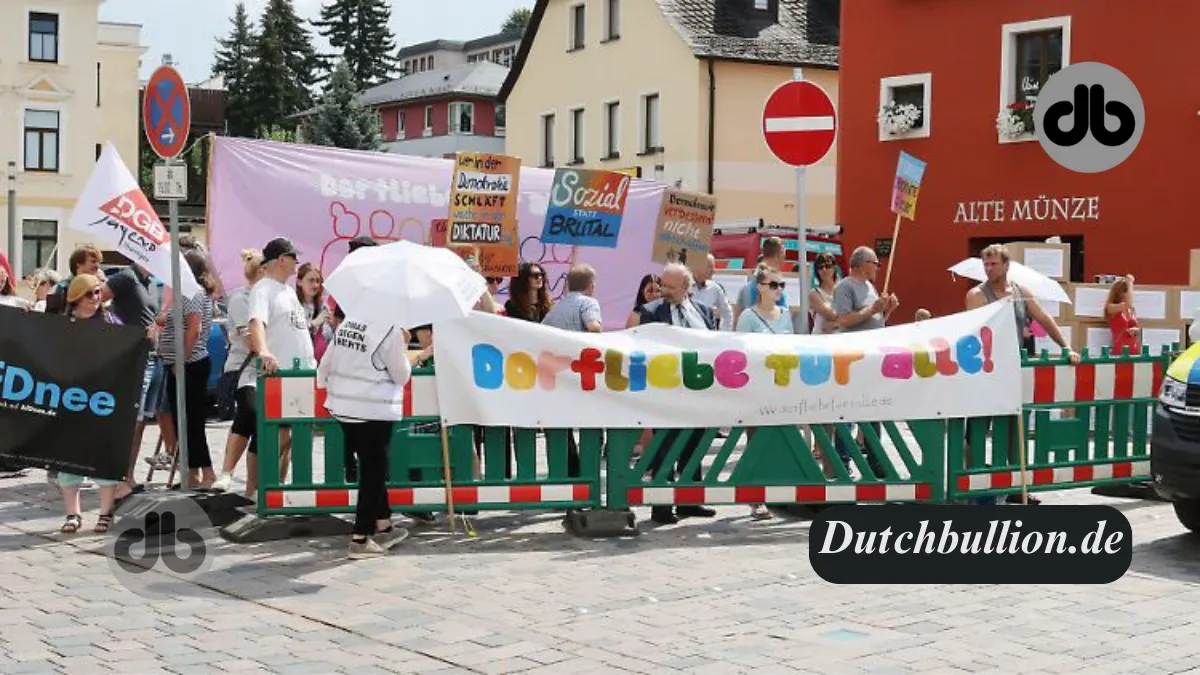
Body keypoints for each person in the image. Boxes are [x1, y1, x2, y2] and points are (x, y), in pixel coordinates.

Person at [964, 243, 1079, 505]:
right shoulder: (976, 295)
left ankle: (1015, 485)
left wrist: (1067, 347)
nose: (989, 268)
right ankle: (972, 484)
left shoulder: (1020, 292)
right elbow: (974, 326)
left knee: (1013, 432)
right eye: (986, 264)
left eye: (994, 264)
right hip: (985, 370)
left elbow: (1044, 318)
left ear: (1006, 265)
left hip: (1013, 370)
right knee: (977, 429)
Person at [318, 311, 413, 559]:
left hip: (343, 407)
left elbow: (326, 364)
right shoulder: (389, 329)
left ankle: (384, 525)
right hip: (373, 408)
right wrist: (403, 345)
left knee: (370, 465)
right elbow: (401, 375)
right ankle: (360, 538)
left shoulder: (349, 323)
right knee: (374, 471)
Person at [57, 274, 148, 533]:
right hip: (71, 398)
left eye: (98, 292)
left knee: (104, 456)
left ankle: (105, 513)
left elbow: (127, 349)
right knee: (67, 457)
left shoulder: (110, 321)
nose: (96, 298)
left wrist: (145, 338)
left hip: (102, 398)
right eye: (90, 293)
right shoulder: (62, 325)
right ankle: (72, 514)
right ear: (76, 297)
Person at [634, 263, 718, 524]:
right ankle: (661, 506)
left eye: (670, 286)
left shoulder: (704, 312)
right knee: (665, 445)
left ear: (686, 287)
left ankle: (690, 500)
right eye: (663, 284)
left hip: (698, 390)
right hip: (666, 391)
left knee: (694, 444)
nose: (664, 290)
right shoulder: (651, 312)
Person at [832, 246, 897, 478]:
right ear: (862, 264)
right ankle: (843, 459)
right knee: (848, 410)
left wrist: (886, 310)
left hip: (871, 355)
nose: (878, 267)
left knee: (873, 408)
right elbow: (844, 319)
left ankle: (874, 458)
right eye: (875, 263)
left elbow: (875, 319)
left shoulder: (870, 287)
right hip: (851, 356)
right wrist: (873, 309)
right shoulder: (846, 286)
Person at [157, 249, 219, 488]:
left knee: (192, 422)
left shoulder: (192, 292)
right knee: (183, 422)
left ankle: (207, 473)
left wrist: (181, 362)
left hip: (189, 366)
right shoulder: (187, 293)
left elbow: (193, 328)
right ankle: (191, 473)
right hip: (180, 365)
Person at [735, 265, 792, 520]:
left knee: (779, 440)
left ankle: (777, 491)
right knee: (756, 441)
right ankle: (754, 497)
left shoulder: (786, 315)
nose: (778, 290)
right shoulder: (748, 316)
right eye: (773, 285)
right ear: (759, 287)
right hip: (756, 388)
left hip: (781, 387)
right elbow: (737, 352)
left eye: (781, 285)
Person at [101, 263, 162, 501]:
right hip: (133, 357)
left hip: (151, 356)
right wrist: (119, 333)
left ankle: (128, 476)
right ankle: (119, 478)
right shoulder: (126, 277)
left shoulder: (151, 282)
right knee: (131, 421)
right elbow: (98, 299)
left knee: (140, 422)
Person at [213, 250, 266, 495]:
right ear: (260, 273)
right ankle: (227, 472)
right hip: (244, 368)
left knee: (264, 426)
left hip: (269, 370)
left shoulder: (273, 299)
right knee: (249, 412)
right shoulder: (240, 299)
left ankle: (252, 487)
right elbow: (250, 340)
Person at [542, 265, 603, 333]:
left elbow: (542, 330)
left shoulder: (555, 306)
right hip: (577, 343)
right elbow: (594, 327)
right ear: (591, 286)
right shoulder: (589, 303)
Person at [44, 244, 102, 314]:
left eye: (98, 262)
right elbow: (50, 318)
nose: (97, 266)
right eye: (93, 261)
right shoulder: (60, 288)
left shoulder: (99, 288)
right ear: (78, 264)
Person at [691, 254, 733, 331]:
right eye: (710, 267)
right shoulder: (684, 285)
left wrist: (723, 333)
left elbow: (727, 313)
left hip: (707, 338)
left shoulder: (715, 288)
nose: (713, 270)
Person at [1105, 274, 1141, 356]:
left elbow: (1136, 327)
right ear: (1118, 293)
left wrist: (1135, 330)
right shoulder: (1111, 307)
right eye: (1125, 290)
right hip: (1120, 351)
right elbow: (1128, 304)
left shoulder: (1131, 310)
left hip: (1134, 349)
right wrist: (1130, 282)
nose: (1128, 293)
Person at [809, 252, 840, 334]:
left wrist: (836, 324)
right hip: (820, 341)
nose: (824, 270)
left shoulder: (842, 290)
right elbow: (831, 316)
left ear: (834, 268)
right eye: (820, 267)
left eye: (828, 266)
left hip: (840, 339)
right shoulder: (814, 294)